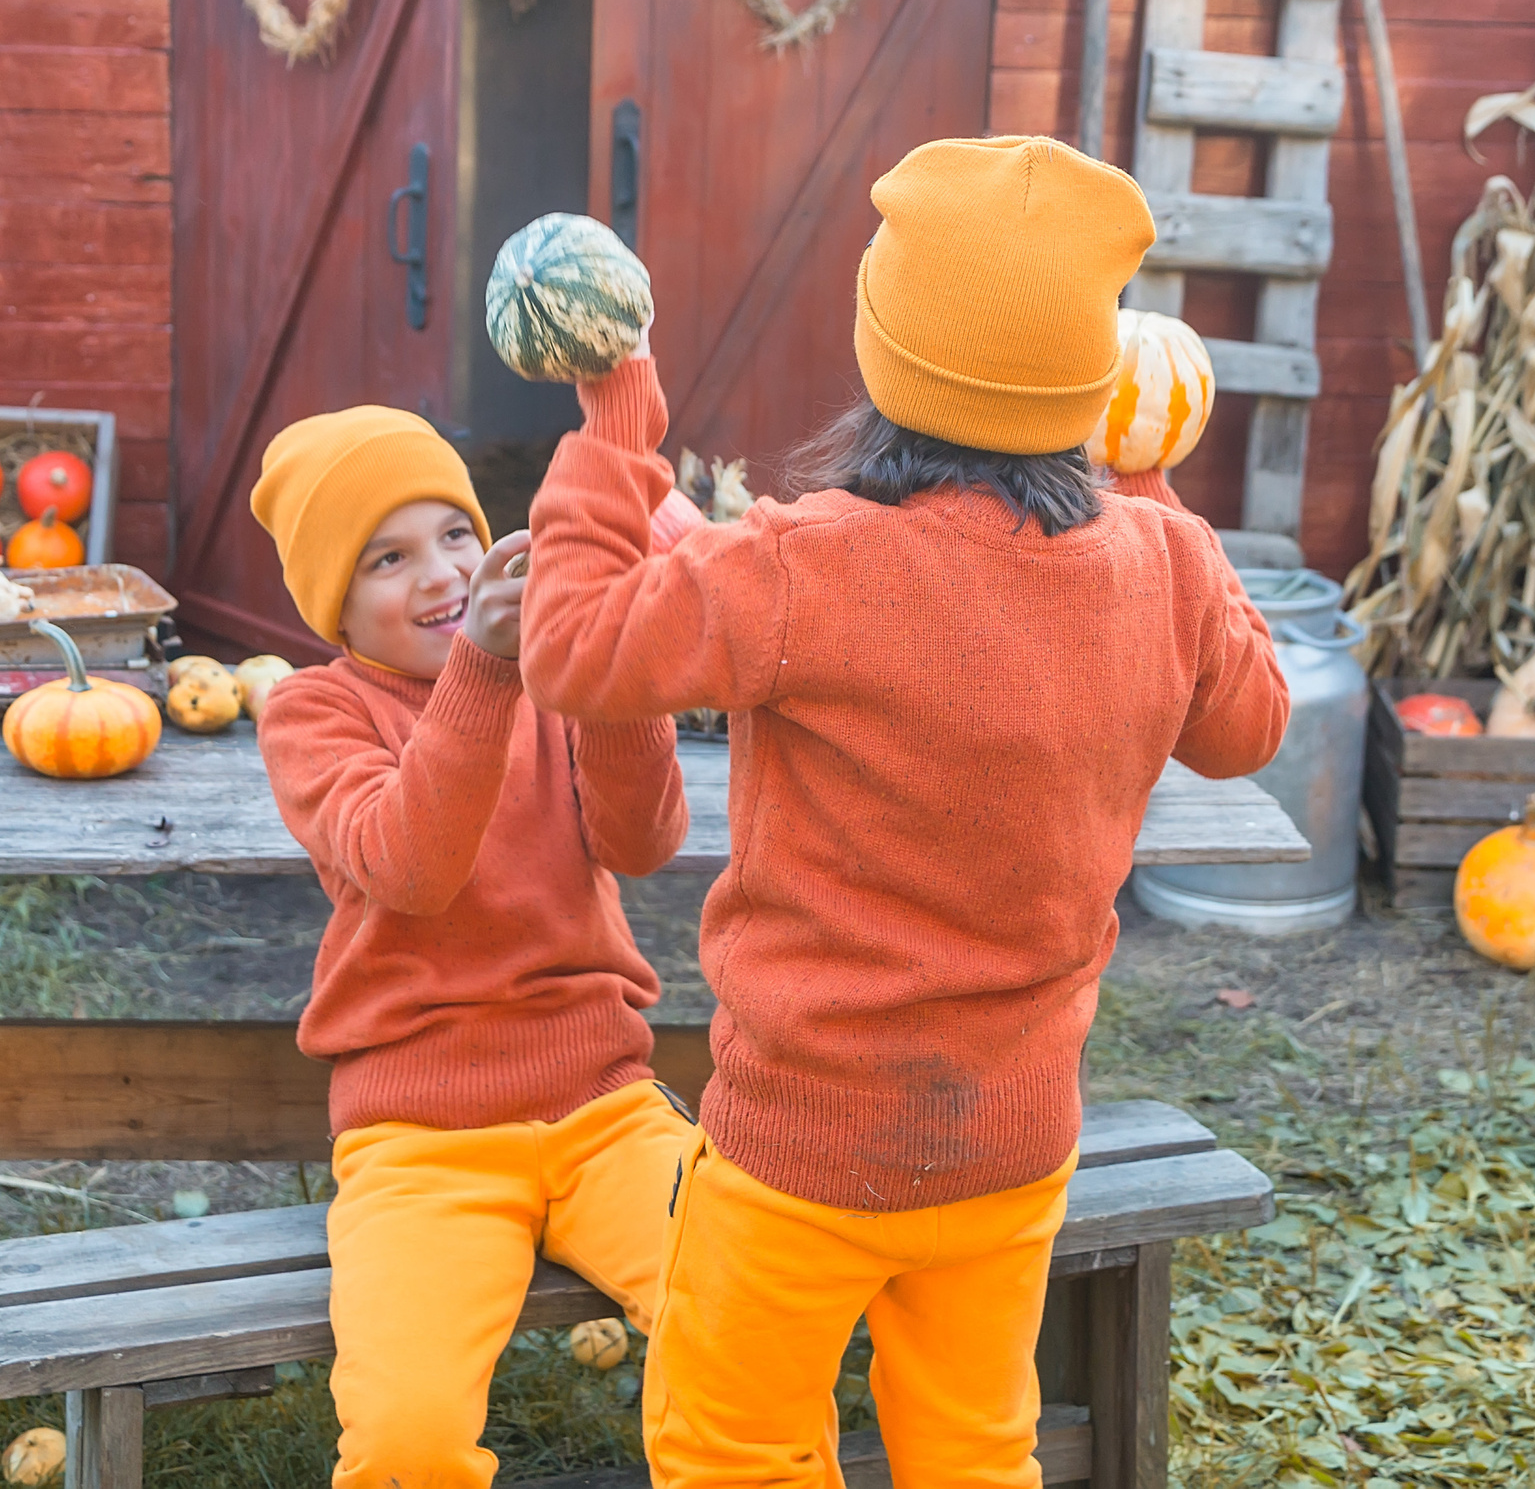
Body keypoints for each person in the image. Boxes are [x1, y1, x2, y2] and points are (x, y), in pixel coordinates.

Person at [518, 136, 1291, 1486]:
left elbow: (575, 647)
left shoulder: (808, 562)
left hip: (801, 1151)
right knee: (975, 1449)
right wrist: (1164, 499)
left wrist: (609, 443)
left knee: (736, 1450)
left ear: (890, 355)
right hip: (1007, 1143)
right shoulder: (1159, 560)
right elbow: (1247, 726)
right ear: (1090, 373)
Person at [249, 406, 697, 1489]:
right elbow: (410, 865)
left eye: (455, 533)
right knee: (405, 1439)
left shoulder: (553, 674)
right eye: (388, 557)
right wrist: (489, 671)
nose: (443, 573)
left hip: (605, 1107)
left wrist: (617, 656)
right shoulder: (314, 713)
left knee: (747, 1314)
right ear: (333, 604)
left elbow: (643, 843)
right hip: (421, 1140)